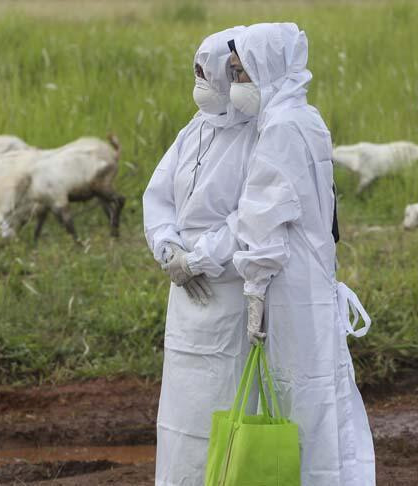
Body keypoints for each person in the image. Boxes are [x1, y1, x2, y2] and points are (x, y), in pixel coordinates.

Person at [227, 23, 376, 485]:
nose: (236, 85)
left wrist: (254, 287)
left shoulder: (282, 128)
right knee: (324, 395)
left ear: (267, 68)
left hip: (290, 286)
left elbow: (265, 219)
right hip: (314, 277)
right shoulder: (306, 118)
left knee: (300, 399)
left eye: (242, 73)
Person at [142, 26, 260, 486]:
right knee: (181, 414)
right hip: (183, 297)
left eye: (213, 72)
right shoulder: (192, 130)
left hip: (225, 291)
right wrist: (168, 248)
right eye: (201, 70)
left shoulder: (257, 135)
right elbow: (158, 197)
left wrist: (201, 258)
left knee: (224, 405)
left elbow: (250, 217)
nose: (202, 79)